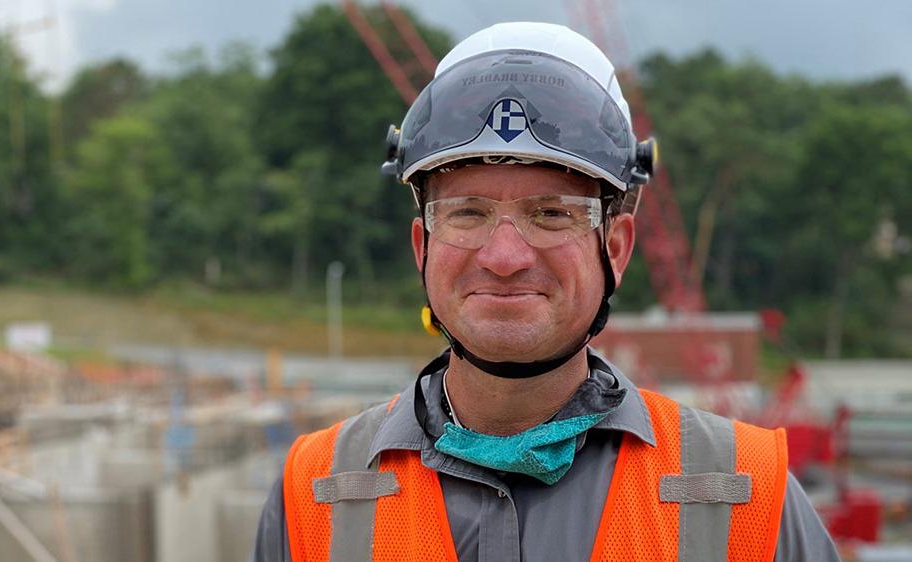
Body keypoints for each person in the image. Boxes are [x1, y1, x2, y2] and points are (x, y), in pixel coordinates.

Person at [254, 22, 839, 561]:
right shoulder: (313, 497)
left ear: (615, 248)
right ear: (422, 247)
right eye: (467, 212)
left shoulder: (748, 498)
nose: (505, 257)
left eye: (552, 214)